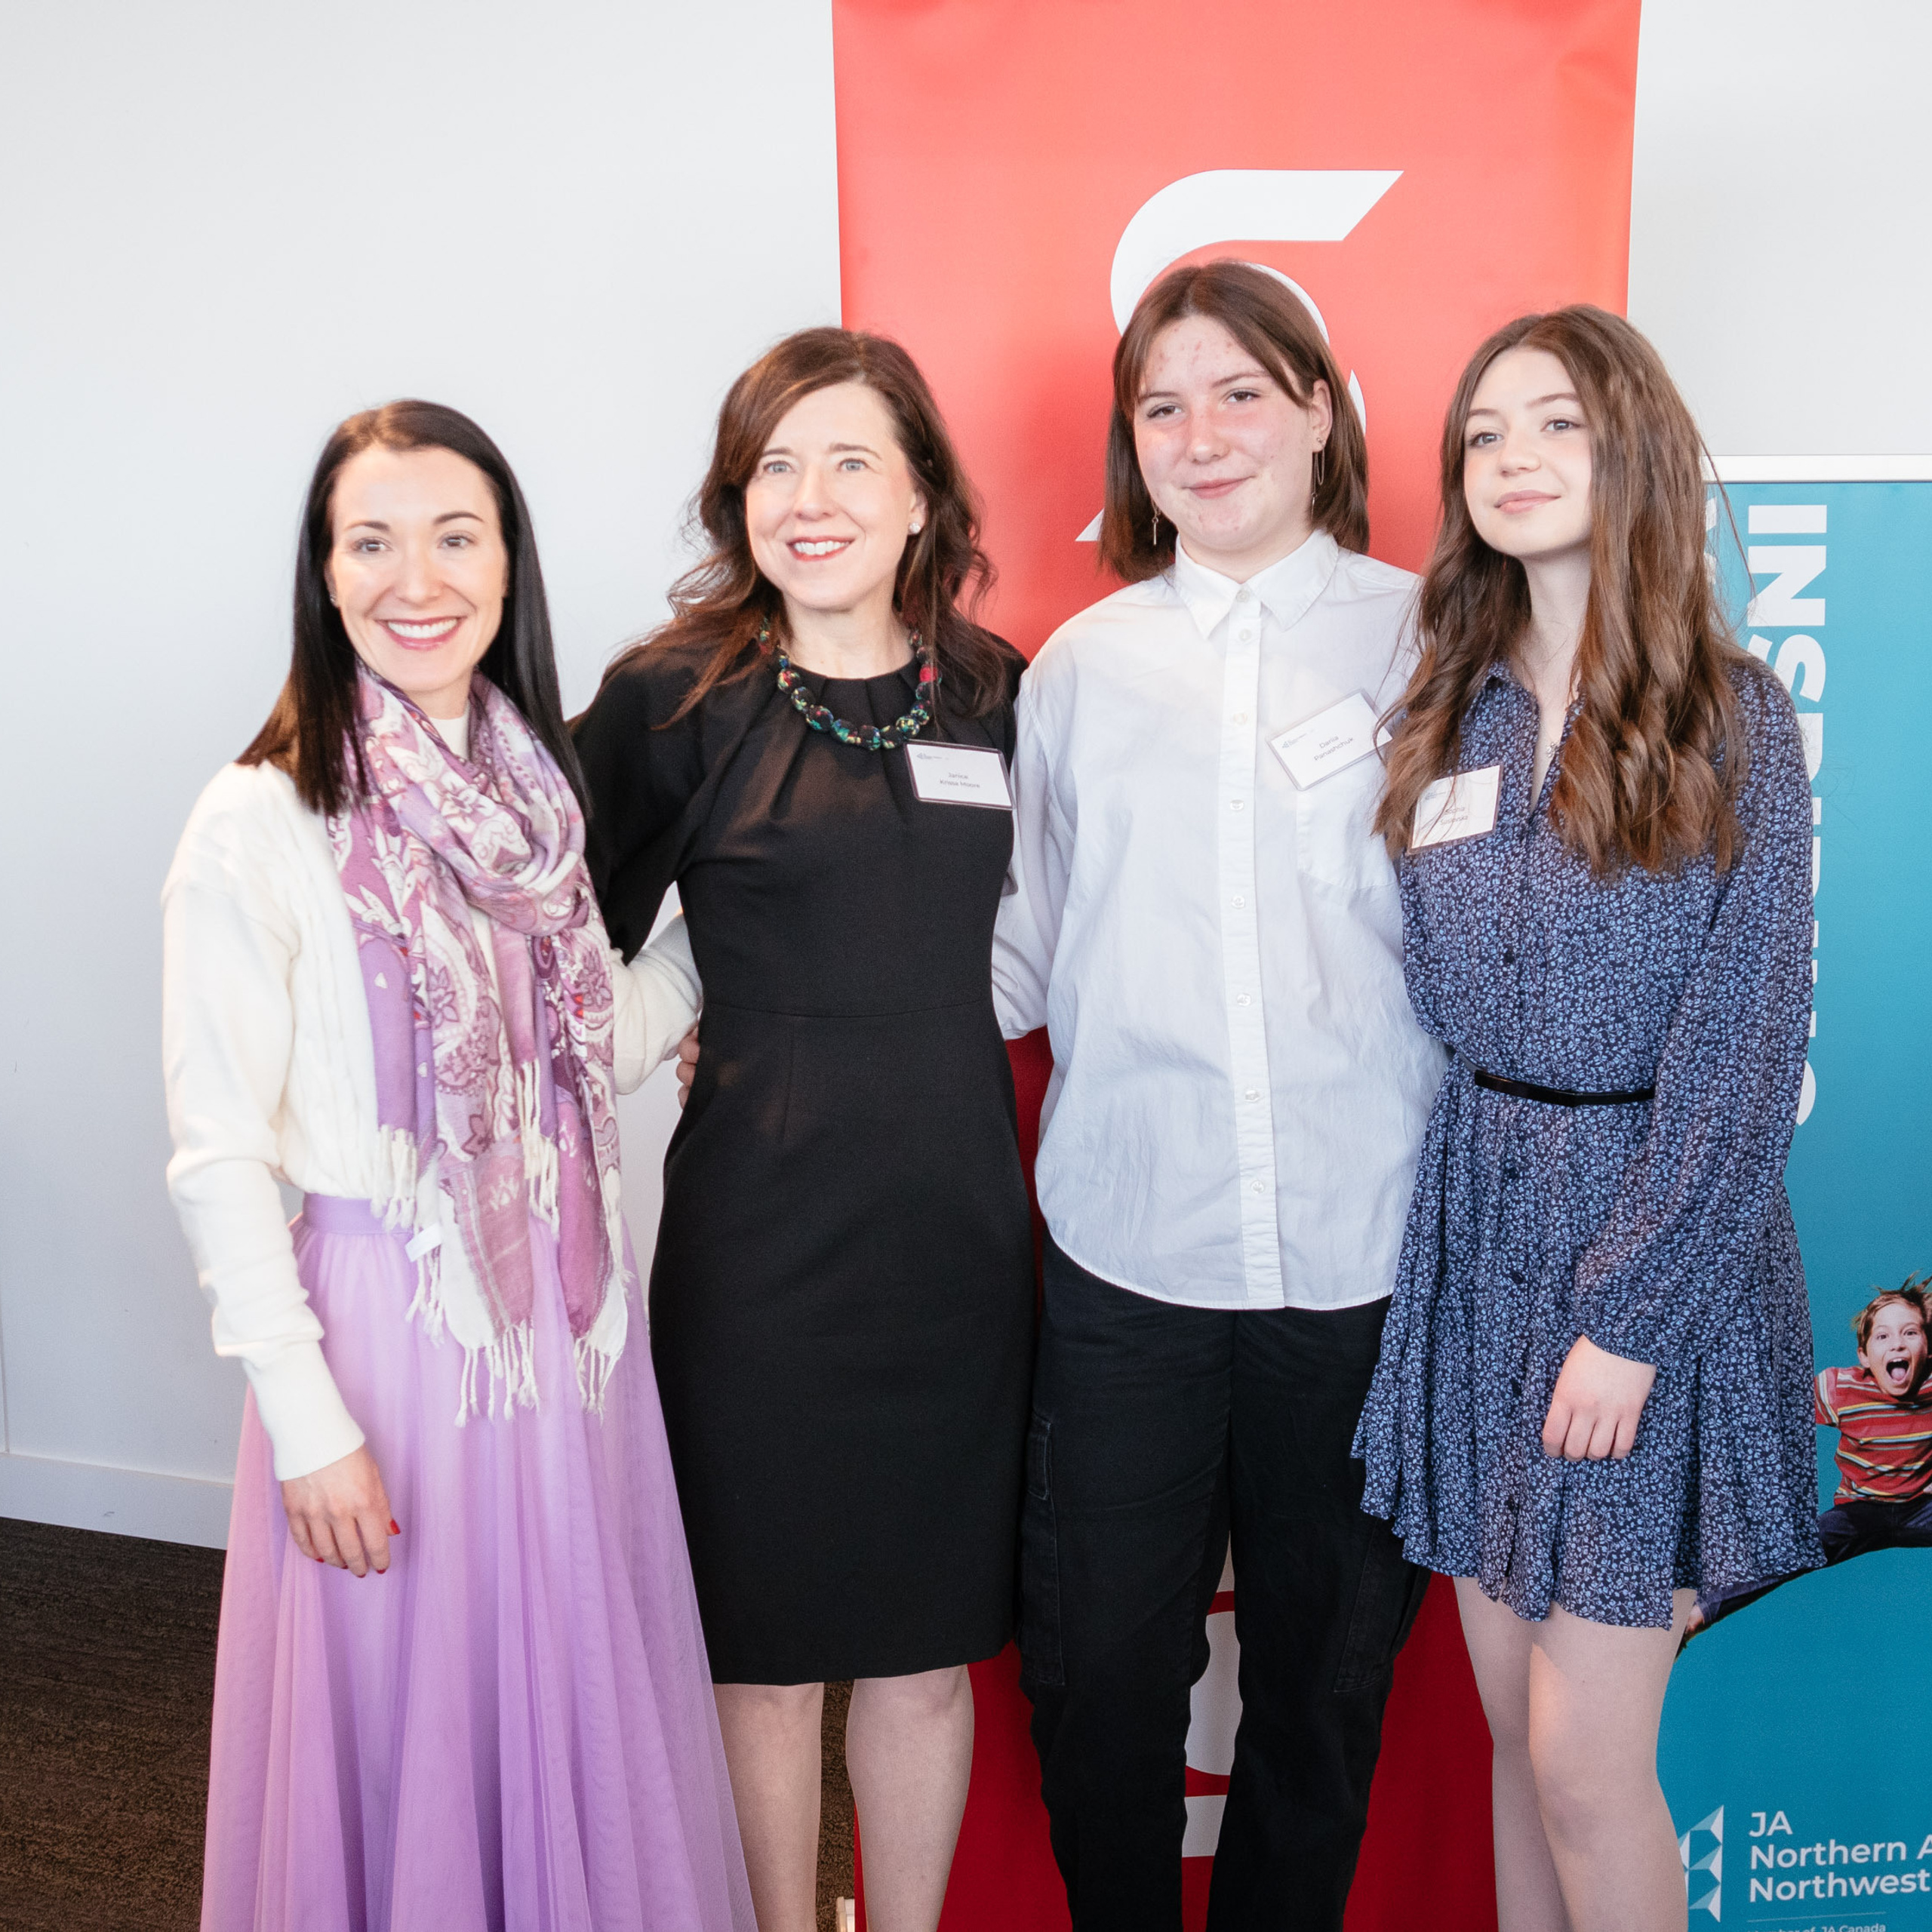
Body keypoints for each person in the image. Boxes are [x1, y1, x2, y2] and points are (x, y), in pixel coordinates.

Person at [163, 401, 753, 1932]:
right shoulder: (264, 816)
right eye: (371, 540)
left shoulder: (534, 798)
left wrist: (743, 924)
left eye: (455, 535)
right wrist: (307, 1424)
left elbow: (600, 1037)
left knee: (560, 1713)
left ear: (508, 565)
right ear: (323, 570)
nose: (415, 577)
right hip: (386, 1349)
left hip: (558, 1338)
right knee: (402, 1731)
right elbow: (218, 1153)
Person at [1355, 306, 1823, 1932]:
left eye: (1549, 423)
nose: (1509, 460)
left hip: (1647, 1243)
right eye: (1481, 434)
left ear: (1627, 449)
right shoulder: (1445, 709)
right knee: (1503, 1733)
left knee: (1580, 1757)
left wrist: (1626, 1316)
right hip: (1478, 1224)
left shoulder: (1730, 715)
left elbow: (1743, 1048)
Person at [991, 259, 1444, 1930]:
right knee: (1093, 1674)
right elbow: (1019, 953)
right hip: (1131, 1252)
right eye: (1160, 404)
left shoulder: (1430, 636)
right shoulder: (1079, 670)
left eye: (1239, 391)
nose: (1200, 434)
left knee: (1324, 1690)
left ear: (1320, 412)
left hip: (1360, 1254)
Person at [572, 328, 1034, 1932]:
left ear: (919, 498)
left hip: (957, 1237)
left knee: (921, 1652)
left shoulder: (996, 692)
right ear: (736, 498)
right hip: (756, 1253)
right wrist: (686, 984)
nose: (809, 496)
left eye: (849, 460)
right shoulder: (666, 698)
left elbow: (1056, 938)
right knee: (758, 1653)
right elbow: (551, 939)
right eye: (774, 463)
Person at [1689, 1277, 1932, 1634]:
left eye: (1910, 1333)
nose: (1897, 1343)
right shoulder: (1840, 1390)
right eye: (1882, 1337)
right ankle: (1699, 1614)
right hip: (1858, 1511)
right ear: (1864, 1356)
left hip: (1919, 1509)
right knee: (1792, 1548)